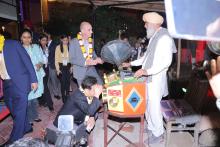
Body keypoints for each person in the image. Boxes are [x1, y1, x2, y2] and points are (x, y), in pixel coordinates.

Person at [122, 12, 177, 144]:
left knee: (154, 107)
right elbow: (145, 58)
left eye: (146, 24)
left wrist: (146, 71)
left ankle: (158, 134)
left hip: (156, 79)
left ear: (153, 24)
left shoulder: (165, 38)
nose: (145, 26)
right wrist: (131, 63)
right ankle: (152, 128)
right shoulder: (154, 36)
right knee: (147, 104)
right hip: (148, 77)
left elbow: (165, 63)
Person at [0, 30, 38, 145]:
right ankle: (26, 126)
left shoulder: (12, 44)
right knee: (12, 107)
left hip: (20, 82)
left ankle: (14, 139)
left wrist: (34, 79)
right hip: (6, 83)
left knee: (20, 111)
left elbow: (27, 61)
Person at [45, 76, 102, 144]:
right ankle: (80, 139)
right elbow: (89, 110)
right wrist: (96, 96)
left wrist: (92, 117)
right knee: (75, 139)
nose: (95, 91)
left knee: (94, 114)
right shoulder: (78, 96)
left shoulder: (84, 92)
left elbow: (90, 108)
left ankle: (82, 137)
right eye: (94, 90)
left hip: (76, 117)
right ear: (87, 90)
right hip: (64, 122)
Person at [20, 29, 45, 125]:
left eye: (28, 37)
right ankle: (29, 118)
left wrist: (39, 64)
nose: (26, 39)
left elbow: (42, 59)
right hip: (27, 77)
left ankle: (35, 116)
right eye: (24, 37)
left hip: (37, 75)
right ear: (21, 38)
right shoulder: (20, 49)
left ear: (31, 39)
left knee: (35, 99)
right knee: (29, 99)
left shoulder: (35, 47)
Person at [69, 21, 104, 86]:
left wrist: (97, 58)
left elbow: (92, 52)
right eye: (89, 30)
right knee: (84, 93)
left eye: (91, 29)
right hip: (80, 71)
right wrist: (85, 62)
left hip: (91, 69)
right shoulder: (73, 42)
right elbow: (71, 59)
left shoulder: (91, 41)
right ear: (82, 30)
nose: (91, 32)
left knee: (100, 85)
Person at [38, 33, 54, 111]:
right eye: (43, 40)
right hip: (40, 69)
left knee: (43, 85)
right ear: (39, 41)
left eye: (46, 40)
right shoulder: (37, 48)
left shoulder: (46, 48)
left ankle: (42, 101)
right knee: (45, 87)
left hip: (46, 68)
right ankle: (50, 104)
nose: (44, 42)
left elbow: (47, 59)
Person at [55, 35, 71, 103]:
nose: (65, 42)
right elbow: (56, 60)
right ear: (61, 40)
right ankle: (64, 99)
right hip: (61, 66)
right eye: (64, 40)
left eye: (66, 40)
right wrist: (58, 70)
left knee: (68, 83)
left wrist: (72, 67)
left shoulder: (69, 47)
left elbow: (72, 58)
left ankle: (67, 96)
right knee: (63, 84)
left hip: (68, 66)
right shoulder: (58, 47)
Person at [46, 32, 62, 99]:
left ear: (49, 35)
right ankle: (47, 95)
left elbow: (57, 55)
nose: (45, 36)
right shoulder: (43, 44)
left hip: (52, 65)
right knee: (46, 81)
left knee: (54, 80)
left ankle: (56, 93)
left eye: (46, 34)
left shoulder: (55, 44)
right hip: (45, 66)